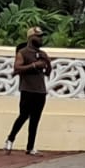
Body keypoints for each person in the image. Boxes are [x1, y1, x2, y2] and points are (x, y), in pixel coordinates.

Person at [6, 26, 53, 156]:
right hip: (27, 89)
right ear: (31, 38)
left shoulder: (42, 54)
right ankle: (10, 139)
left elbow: (48, 73)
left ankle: (30, 147)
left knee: (35, 119)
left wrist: (48, 63)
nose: (40, 39)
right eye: (38, 36)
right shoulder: (22, 53)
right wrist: (34, 65)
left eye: (41, 36)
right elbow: (16, 69)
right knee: (23, 116)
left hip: (40, 91)